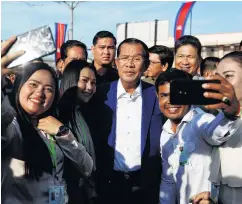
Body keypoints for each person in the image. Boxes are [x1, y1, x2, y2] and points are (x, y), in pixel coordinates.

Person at [1, 37, 93, 204]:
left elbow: (87, 167)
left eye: (48, 89)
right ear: (19, 86)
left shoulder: (52, 124)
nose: (40, 92)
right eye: (33, 85)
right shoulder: (11, 126)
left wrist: (64, 134)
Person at [90, 38, 164, 204]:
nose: (130, 64)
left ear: (145, 65)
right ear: (116, 62)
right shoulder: (100, 94)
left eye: (137, 59)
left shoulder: (157, 95)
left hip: (146, 184)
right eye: (124, 58)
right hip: (108, 184)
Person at [155, 69, 241, 204]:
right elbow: (168, 181)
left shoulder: (200, 120)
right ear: (157, 96)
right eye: (164, 95)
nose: (170, 101)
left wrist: (231, 112)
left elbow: (217, 132)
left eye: (176, 95)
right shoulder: (165, 133)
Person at [190, 51, 242, 204]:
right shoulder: (221, 113)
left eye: (229, 76)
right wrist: (213, 194)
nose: (222, 83)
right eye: (218, 77)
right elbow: (213, 137)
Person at [58, 60, 97, 204]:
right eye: (84, 81)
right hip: (67, 192)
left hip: (85, 191)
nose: (89, 87)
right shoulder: (57, 114)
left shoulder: (84, 112)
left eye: (93, 83)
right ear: (71, 79)